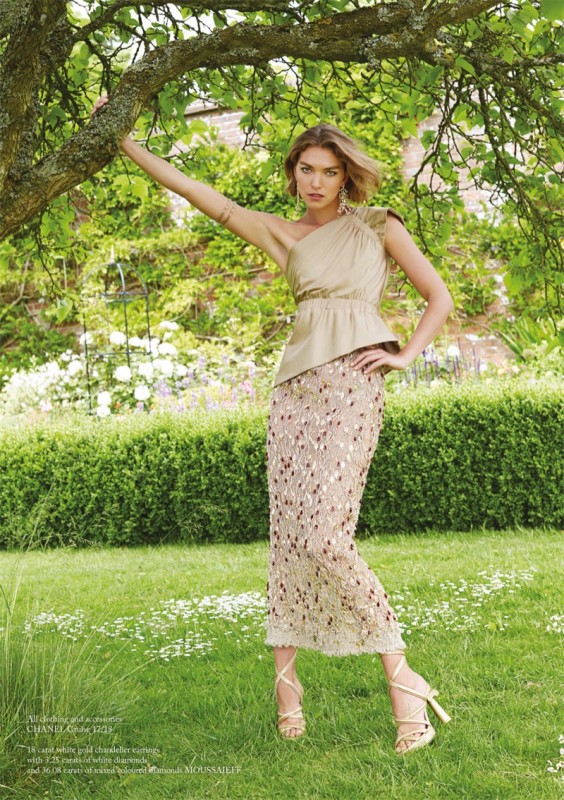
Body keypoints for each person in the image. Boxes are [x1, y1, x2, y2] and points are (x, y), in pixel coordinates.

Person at [91, 98, 453, 754]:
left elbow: (440, 297)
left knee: (325, 537)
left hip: (352, 388)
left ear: (346, 177)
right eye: (306, 169)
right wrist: (126, 143)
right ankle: (288, 689)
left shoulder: (378, 225)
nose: (316, 181)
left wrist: (405, 355)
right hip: (295, 394)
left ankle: (405, 680)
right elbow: (200, 194)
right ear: (293, 174)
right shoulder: (281, 233)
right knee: (288, 538)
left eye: (329, 171)